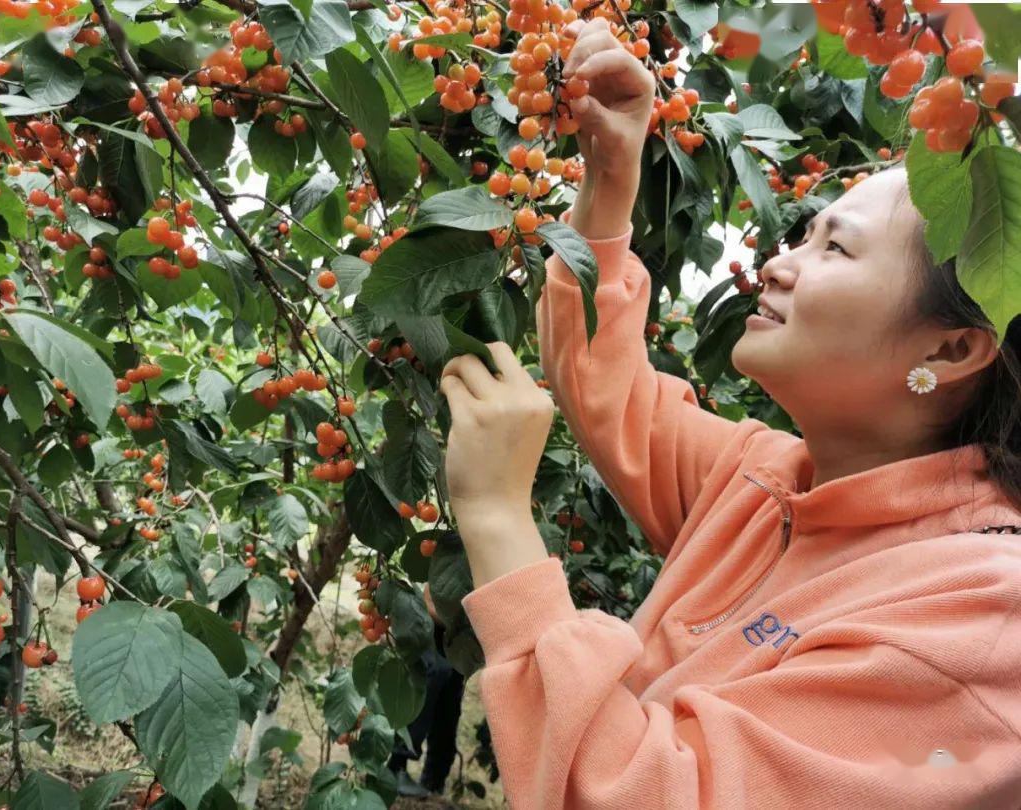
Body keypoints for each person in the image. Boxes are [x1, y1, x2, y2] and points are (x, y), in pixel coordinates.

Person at [436, 16, 1021, 810]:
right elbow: (607, 381)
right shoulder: (766, 477)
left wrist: (499, 517)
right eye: (803, 235)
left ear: (951, 352)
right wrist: (610, 179)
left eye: (835, 249)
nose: (777, 263)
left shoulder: (981, 620)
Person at [385, 582, 467, 797]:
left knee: (450, 707)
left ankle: (434, 781)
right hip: (431, 633)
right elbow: (427, 604)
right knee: (432, 676)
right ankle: (396, 766)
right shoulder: (453, 555)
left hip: (456, 643)